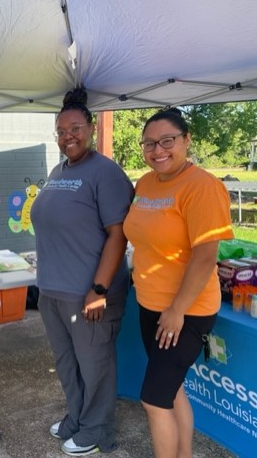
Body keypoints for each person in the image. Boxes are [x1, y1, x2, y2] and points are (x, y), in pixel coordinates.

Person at [123, 108, 234, 458]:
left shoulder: (203, 187)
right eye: (149, 143)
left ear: (186, 140)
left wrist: (176, 310)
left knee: (154, 401)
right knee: (172, 392)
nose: (158, 150)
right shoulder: (145, 183)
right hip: (150, 302)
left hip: (186, 311)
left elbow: (205, 257)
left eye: (167, 141)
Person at [31, 88, 134, 456]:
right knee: (67, 363)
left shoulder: (106, 173)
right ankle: (77, 416)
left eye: (75, 128)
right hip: (52, 290)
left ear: (91, 128)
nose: (68, 136)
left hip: (88, 292)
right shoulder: (58, 170)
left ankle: (97, 429)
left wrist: (99, 289)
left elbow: (119, 234)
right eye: (61, 131)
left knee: (94, 366)